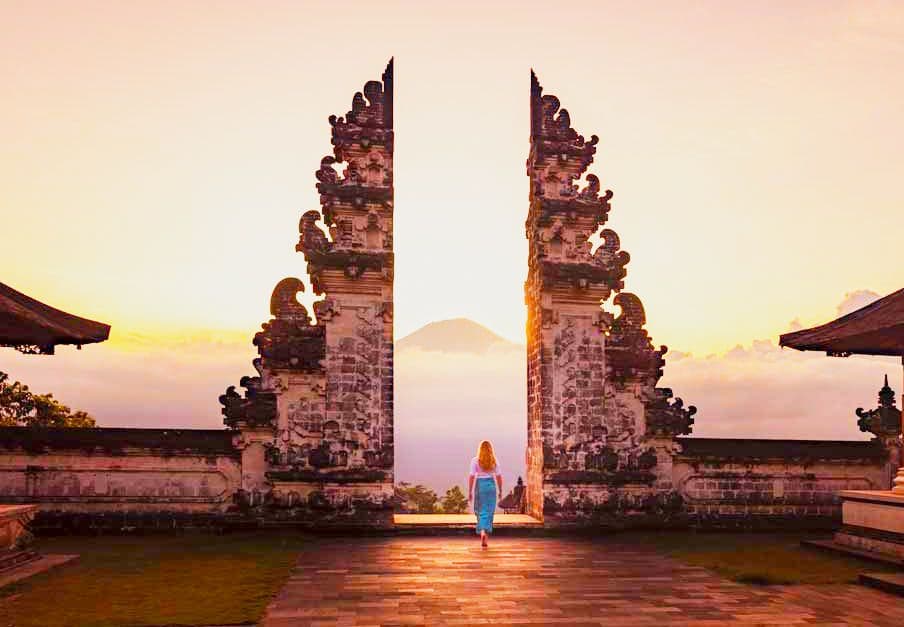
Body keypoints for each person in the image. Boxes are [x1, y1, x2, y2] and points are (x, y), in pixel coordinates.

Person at [468, 440, 503, 548]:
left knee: (480, 509)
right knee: (489, 511)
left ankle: (482, 531)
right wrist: (500, 490)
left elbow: (472, 476)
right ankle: (485, 536)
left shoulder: (475, 460)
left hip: (480, 485)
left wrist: (470, 491)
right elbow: (499, 476)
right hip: (491, 486)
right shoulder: (494, 460)